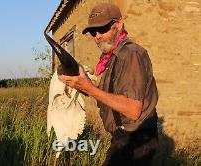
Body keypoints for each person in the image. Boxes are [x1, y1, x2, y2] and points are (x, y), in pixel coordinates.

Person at [58, 3, 159, 166]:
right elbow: (108, 94)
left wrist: (89, 88)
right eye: (92, 32)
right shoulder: (110, 57)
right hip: (123, 136)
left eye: (103, 28)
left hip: (137, 138)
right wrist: (81, 84)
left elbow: (133, 110)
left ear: (119, 24)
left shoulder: (131, 55)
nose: (97, 36)